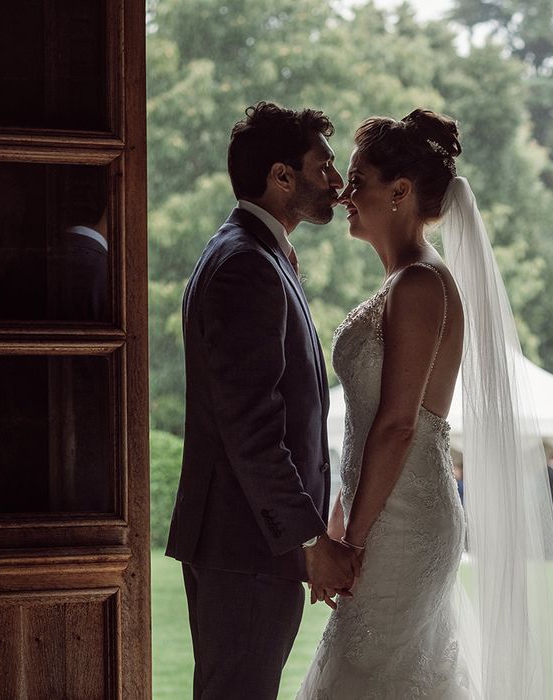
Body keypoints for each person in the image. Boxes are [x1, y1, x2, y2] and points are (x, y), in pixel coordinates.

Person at [298, 110, 553, 698]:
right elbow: (373, 423)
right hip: (382, 508)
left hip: (405, 520)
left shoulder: (421, 285)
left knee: (378, 672)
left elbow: (399, 426)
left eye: (358, 178)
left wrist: (350, 544)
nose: (345, 193)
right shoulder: (402, 284)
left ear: (400, 191)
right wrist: (341, 514)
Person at [165, 102, 359, 700]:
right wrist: (309, 539)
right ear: (281, 176)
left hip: (246, 548)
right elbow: (252, 430)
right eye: (323, 166)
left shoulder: (254, 253)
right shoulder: (245, 264)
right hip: (244, 548)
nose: (337, 181)